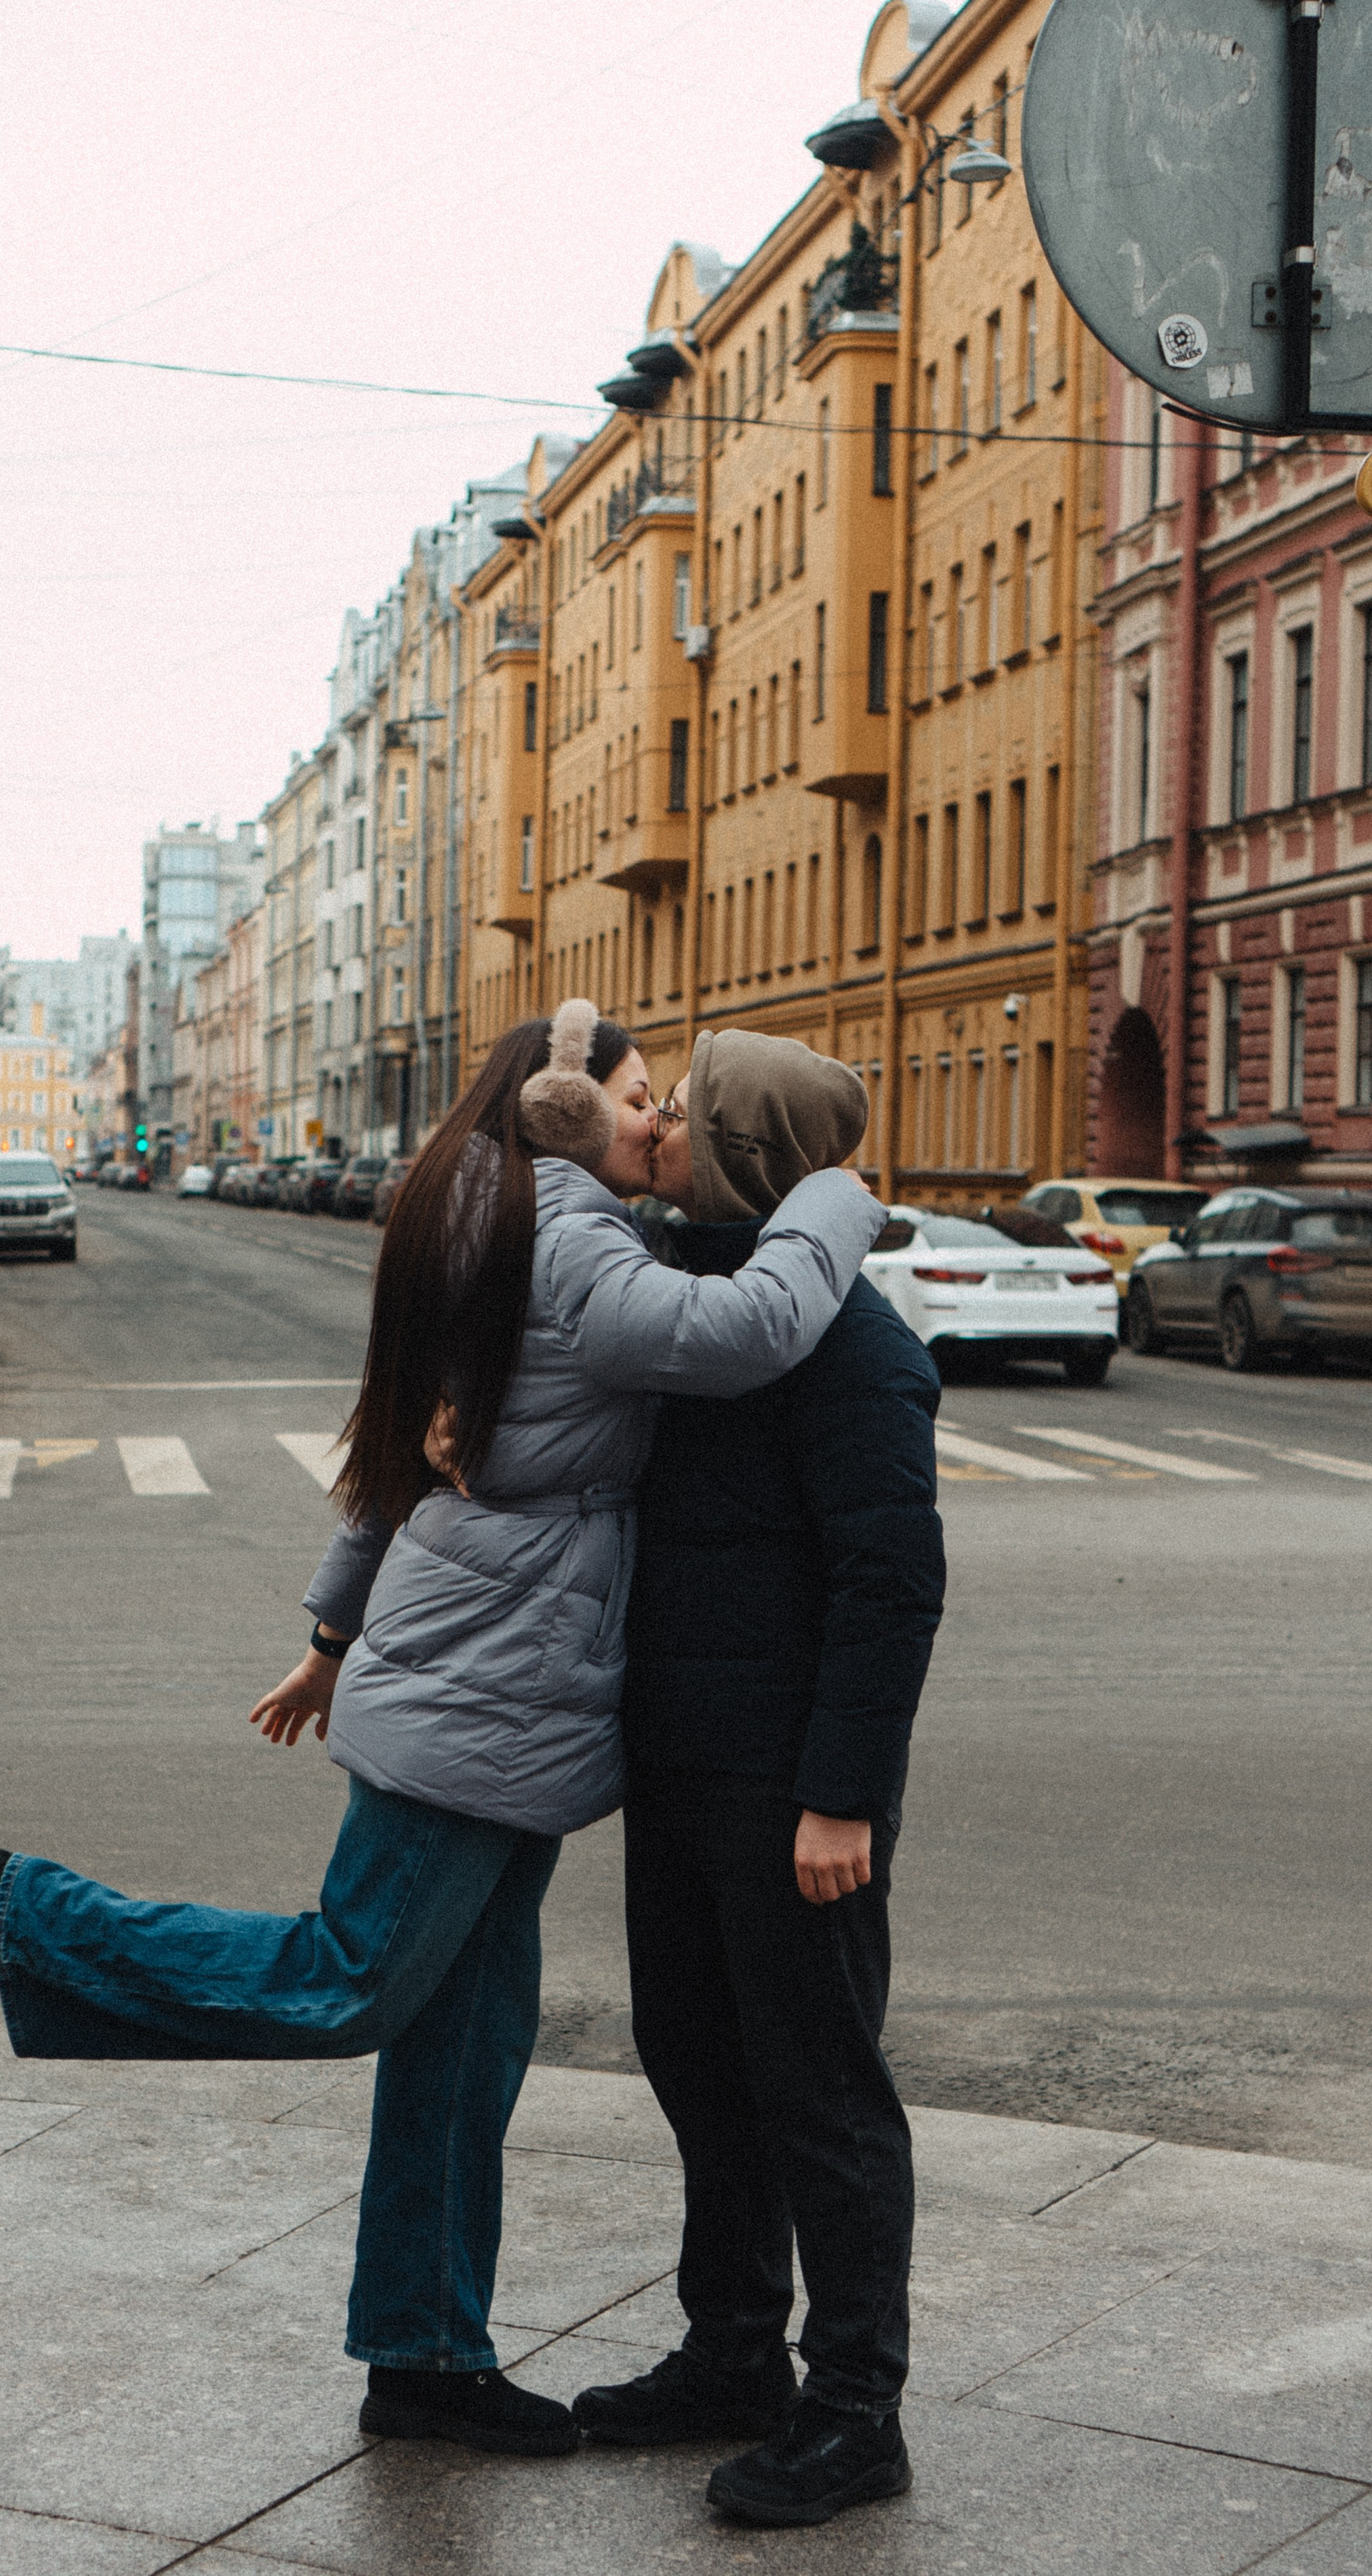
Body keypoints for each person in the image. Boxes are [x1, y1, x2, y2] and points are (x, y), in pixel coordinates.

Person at [0, 1001, 885, 2460]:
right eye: (635, 1097)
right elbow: (739, 1332)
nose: (655, 1121)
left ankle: (424, 2354)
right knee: (346, 1983)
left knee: (462, 2042)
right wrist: (837, 1200)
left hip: (512, 1688)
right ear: (559, 1110)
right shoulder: (567, 1234)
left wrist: (329, 1637)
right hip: (488, 1682)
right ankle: (15, 1912)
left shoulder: (504, 1220)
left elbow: (399, 1451)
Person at [566, 1031, 945, 2533]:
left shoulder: (852, 1348)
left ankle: (854, 2411)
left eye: (679, 1113)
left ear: (734, 1151)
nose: (651, 1129)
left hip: (794, 1793)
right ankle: (731, 2353)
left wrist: (842, 1794)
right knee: (698, 2065)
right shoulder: (695, 1312)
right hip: (680, 1769)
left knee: (821, 2098)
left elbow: (889, 1585)